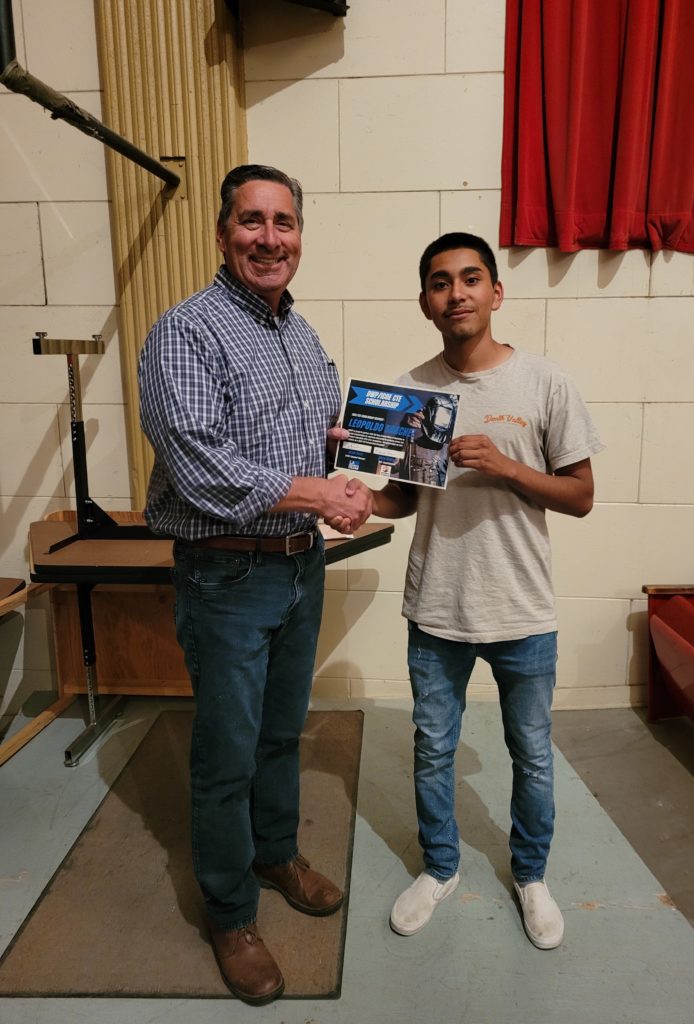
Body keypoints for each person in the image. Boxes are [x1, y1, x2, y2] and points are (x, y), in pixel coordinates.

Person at [138, 164, 372, 1005]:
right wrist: (322, 492)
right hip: (228, 573)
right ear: (222, 231)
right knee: (227, 756)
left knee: (280, 736)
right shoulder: (185, 332)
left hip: (297, 565)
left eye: (284, 223)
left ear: (300, 235)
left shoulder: (302, 338)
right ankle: (231, 912)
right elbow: (200, 465)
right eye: (252, 221)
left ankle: (275, 853)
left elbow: (306, 442)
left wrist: (357, 447)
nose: (269, 238)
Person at [371, 232, 604, 949]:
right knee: (432, 748)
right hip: (436, 606)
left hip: (522, 608)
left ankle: (530, 875)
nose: (457, 293)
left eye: (471, 279)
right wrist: (341, 487)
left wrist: (506, 468)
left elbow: (581, 496)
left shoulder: (544, 383)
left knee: (531, 751)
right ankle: (440, 868)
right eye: (441, 283)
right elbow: (401, 503)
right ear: (426, 303)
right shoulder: (412, 391)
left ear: (496, 293)